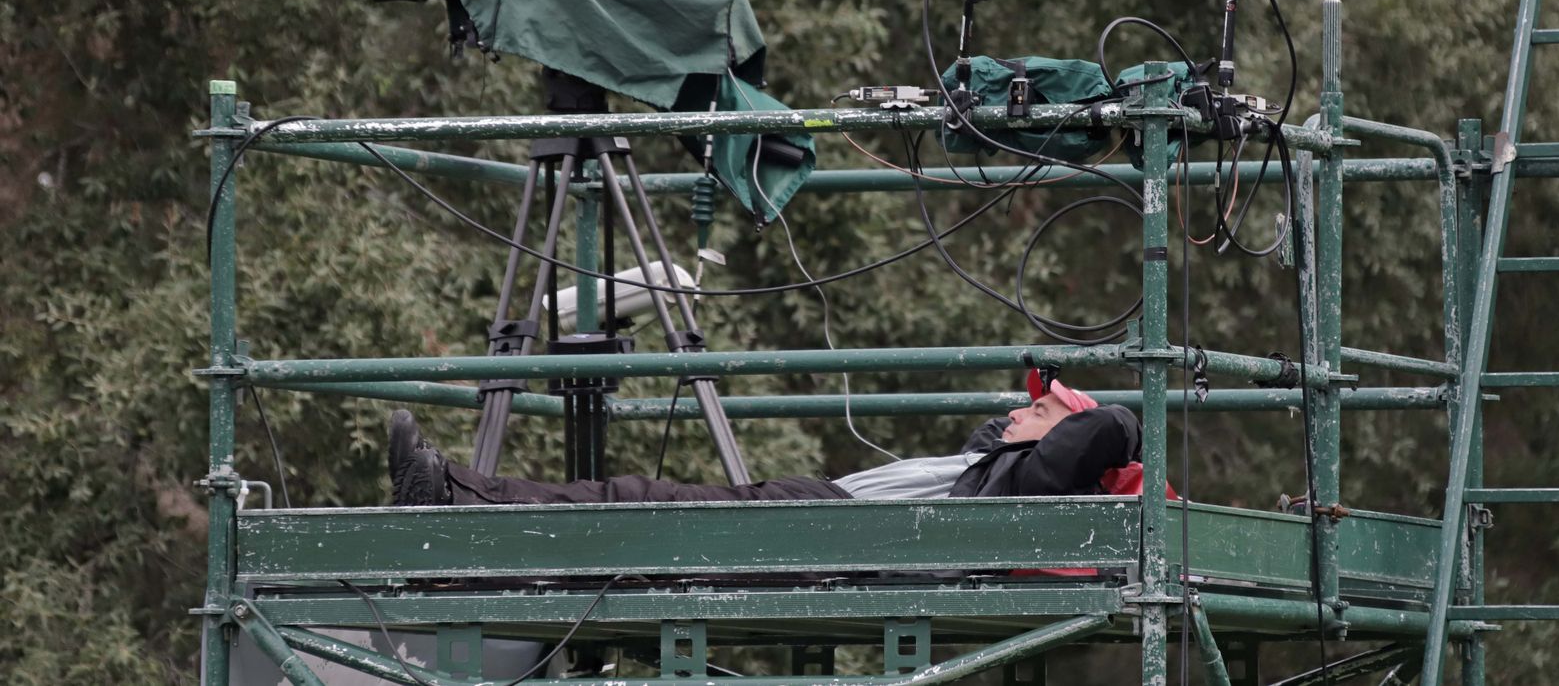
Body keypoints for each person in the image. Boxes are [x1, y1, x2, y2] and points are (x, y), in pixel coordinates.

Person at [389, 376, 1142, 507]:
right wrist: (1039, 408)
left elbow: (1108, 428)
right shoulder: (990, 462)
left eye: (1038, 410)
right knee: (633, 501)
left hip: (841, 524)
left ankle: (453, 493)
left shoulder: (1027, 480)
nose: (1016, 413)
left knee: (633, 501)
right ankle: (454, 491)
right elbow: (1008, 433)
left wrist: (1093, 410)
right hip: (827, 506)